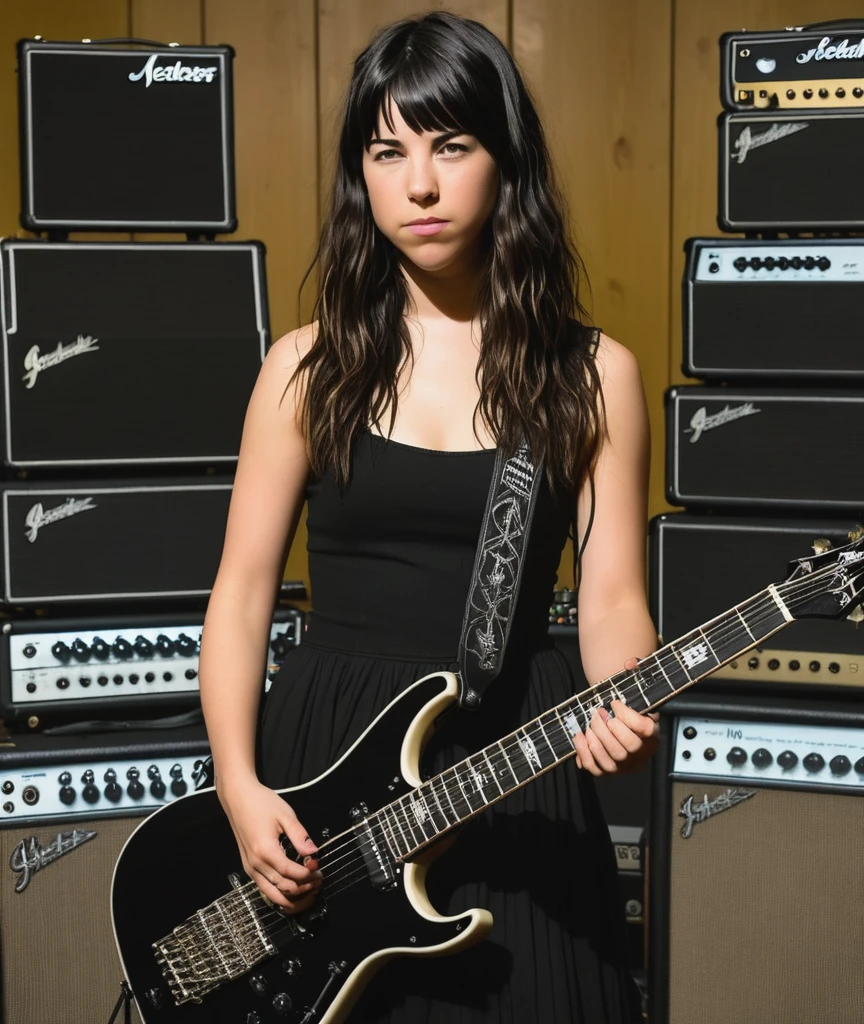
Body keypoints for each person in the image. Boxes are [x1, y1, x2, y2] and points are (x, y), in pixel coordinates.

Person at [198, 10, 659, 1023]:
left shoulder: (592, 375)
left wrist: (626, 697)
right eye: (388, 150)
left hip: (513, 762)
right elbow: (239, 597)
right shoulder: (303, 368)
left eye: (451, 146)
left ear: (505, 163)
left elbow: (614, 592)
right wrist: (237, 785)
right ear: (359, 175)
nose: (418, 185)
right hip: (326, 760)